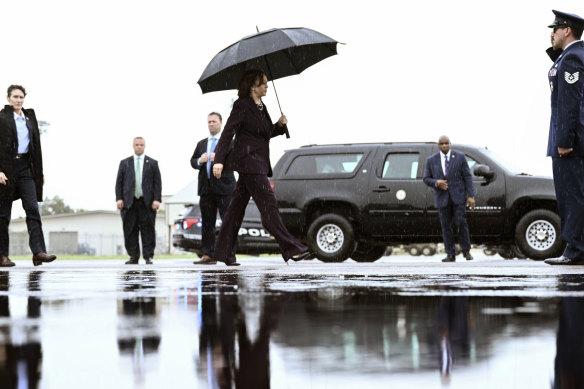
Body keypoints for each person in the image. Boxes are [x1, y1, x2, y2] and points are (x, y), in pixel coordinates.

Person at [211, 69, 310, 266]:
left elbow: (263, 133)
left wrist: (279, 126)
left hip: (258, 163)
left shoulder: (261, 107)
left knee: (234, 211)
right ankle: (291, 248)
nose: (267, 86)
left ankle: (224, 253)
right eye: (263, 83)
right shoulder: (242, 106)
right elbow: (228, 133)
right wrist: (219, 160)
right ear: (253, 86)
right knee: (269, 205)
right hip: (248, 162)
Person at [543, 10, 584, 265]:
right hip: (576, 138)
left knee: (571, 195)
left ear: (566, 30)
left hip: (571, 142)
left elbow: (569, 104)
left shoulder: (571, 59)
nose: (551, 34)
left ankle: (575, 250)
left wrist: (565, 142)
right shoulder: (573, 56)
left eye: (555, 29)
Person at [0, 85, 56, 267]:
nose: (18, 100)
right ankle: (2, 256)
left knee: (32, 209)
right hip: (6, 169)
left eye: (21, 97)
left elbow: (36, 147)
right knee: (3, 215)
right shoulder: (2, 117)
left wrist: (39, 173)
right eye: (15, 97)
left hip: (26, 168)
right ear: (8, 98)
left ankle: (39, 252)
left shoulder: (29, 117)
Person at [190, 112, 236, 265]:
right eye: (209, 121)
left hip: (225, 189)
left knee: (228, 222)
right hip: (206, 189)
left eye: (214, 121)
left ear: (221, 123)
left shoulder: (229, 141)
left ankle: (229, 255)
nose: (211, 124)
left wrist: (219, 158)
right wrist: (199, 160)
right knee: (207, 224)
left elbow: (236, 161)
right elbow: (192, 161)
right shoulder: (201, 143)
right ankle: (208, 254)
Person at [423, 136, 475, 262]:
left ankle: (466, 251)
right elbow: (426, 178)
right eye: (442, 144)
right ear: (438, 145)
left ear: (450, 144)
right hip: (442, 198)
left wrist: (471, 196)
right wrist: (436, 182)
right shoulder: (431, 160)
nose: (444, 146)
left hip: (458, 197)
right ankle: (450, 254)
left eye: (446, 143)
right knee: (446, 226)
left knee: (461, 223)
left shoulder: (460, 157)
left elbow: (467, 176)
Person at [115, 137, 162, 265]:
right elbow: (119, 183)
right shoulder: (125, 163)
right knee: (130, 230)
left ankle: (148, 256)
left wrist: (157, 199)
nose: (139, 147)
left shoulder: (152, 163)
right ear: (133, 146)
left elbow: (157, 183)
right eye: (137, 145)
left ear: (145, 146)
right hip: (129, 202)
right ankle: (133, 256)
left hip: (147, 202)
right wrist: (119, 198)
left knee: (148, 230)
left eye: (141, 145)